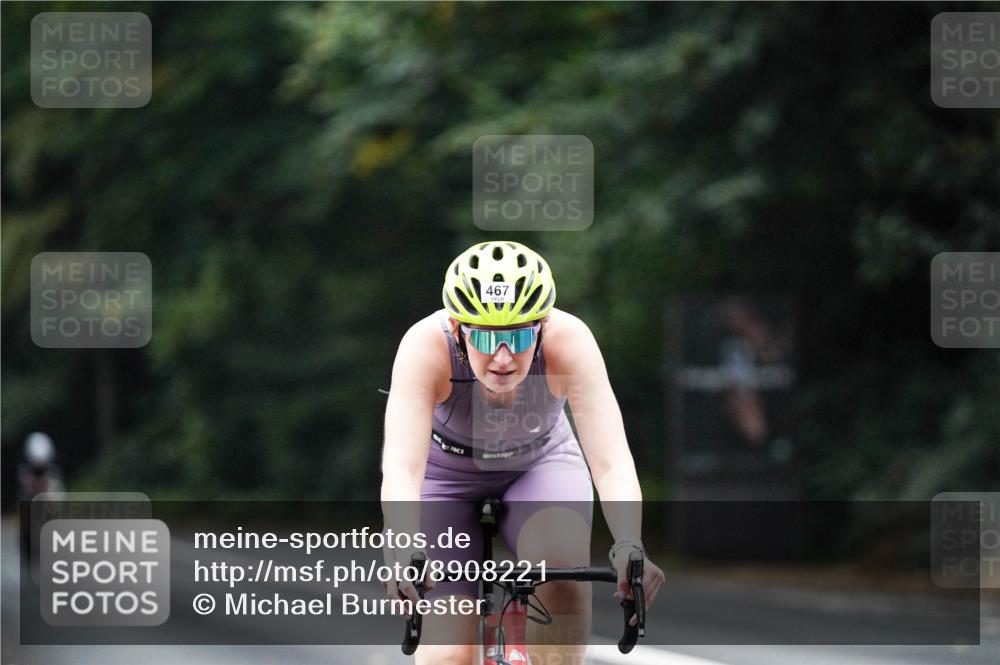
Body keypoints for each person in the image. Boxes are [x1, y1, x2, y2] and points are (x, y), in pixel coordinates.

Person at [381, 241, 665, 665]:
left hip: (539, 464)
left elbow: (611, 461)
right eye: (484, 336)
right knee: (447, 654)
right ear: (458, 329)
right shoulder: (425, 347)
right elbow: (403, 468)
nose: (502, 357)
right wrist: (403, 547)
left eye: (517, 335)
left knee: (563, 575)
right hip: (444, 479)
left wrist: (628, 543)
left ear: (541, 326)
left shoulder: (569, 341)